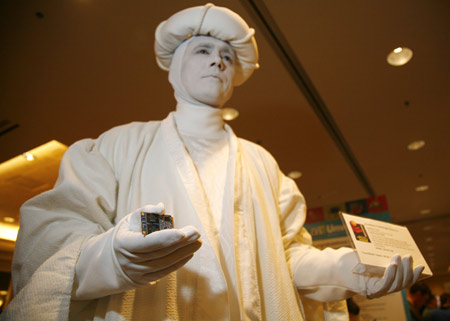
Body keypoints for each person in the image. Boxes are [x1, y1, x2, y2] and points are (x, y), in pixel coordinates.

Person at [2, 4, 424, 321]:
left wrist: (348, 269)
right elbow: (53, 240)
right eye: (203, 49)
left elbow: (288, 256)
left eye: (227, 55)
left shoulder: (263, 165)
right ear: (172, 68)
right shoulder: (116, 147)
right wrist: (110, 258)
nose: (218, 60)